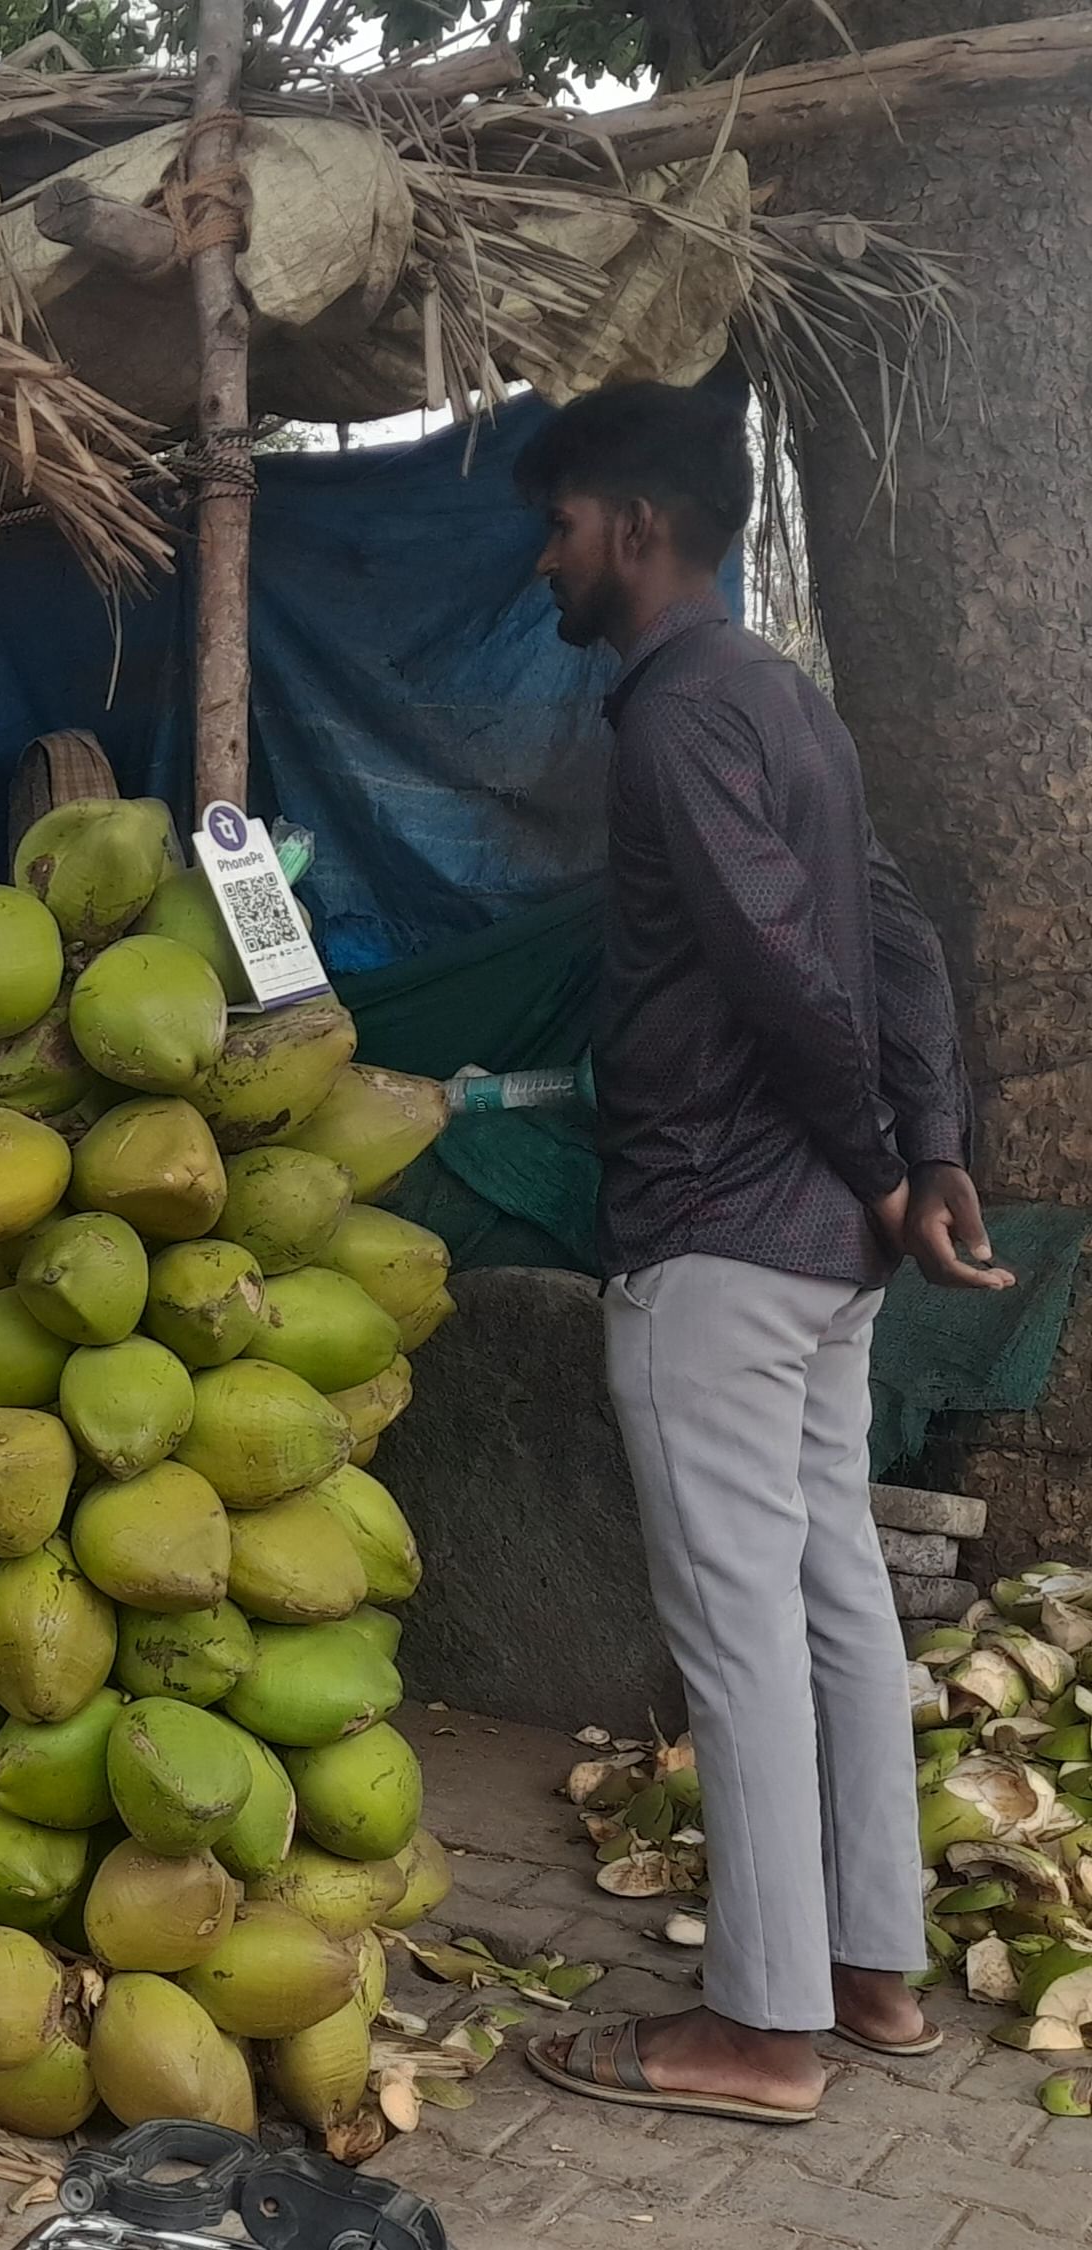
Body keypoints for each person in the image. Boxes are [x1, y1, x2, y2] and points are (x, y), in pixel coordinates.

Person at [512, 383, 1015, 2127]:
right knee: (833, 1601)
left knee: (736, 1625)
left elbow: (785, 965)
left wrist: (892, 1164)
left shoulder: (676, 725)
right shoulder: (790, 705)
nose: (548, 556)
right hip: (818, 1252)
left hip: (723, 1233)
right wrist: (928, 1153)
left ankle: (760, 2030)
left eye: (561, 522)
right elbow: (899, 940)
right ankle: (871, 1975)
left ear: (638, 528)